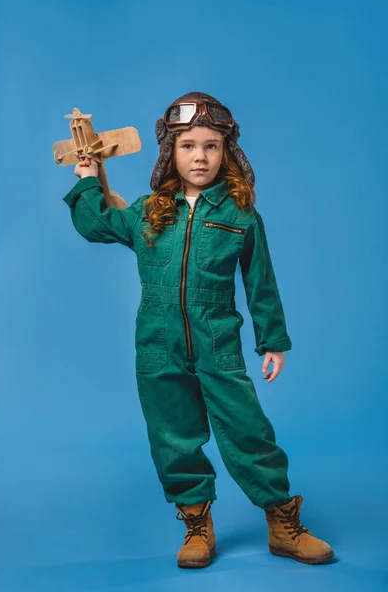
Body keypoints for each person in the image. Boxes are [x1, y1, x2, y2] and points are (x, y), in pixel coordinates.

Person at [62, 92, 334, 569]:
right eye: (188, 145)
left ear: (226, 151)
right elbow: (96, 224)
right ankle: (196, 526)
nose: (200, 156)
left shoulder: (239, 214)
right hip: (157, 347)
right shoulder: (150, 211)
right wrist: (87, 179)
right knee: (173, 435)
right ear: (171, 152)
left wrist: (272, 341)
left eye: (211, 145)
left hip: (218, 344)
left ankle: (283, 524)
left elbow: (260, 282)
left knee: (249, 431)